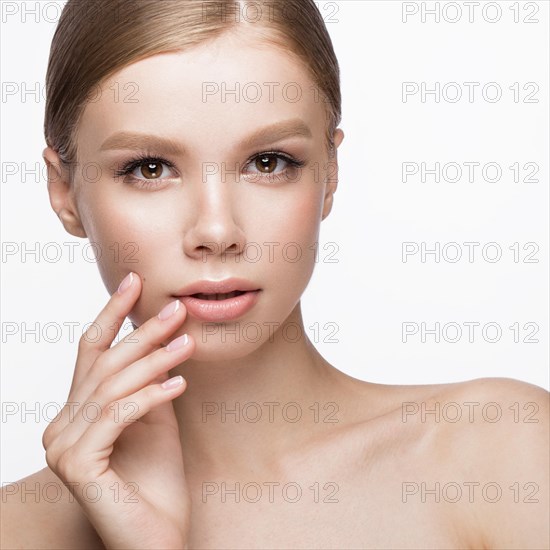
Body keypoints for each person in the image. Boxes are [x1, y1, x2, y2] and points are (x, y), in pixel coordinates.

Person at [1, 0, 548, 548]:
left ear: (330, 172)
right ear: (64, 191)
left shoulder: (504, 455)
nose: (217, 230)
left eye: (267, 162)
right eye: (150, 168)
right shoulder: (16, 529)